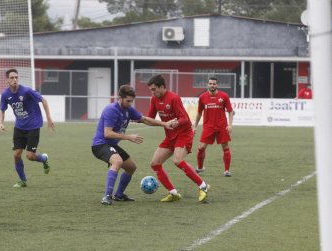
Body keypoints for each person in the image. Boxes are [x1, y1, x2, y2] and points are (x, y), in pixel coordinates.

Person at [92, 84, 176, 205]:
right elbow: (107, 133)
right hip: (100, 144)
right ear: (120, 98)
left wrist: (164, 124)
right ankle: (107, 196)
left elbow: (145, 119)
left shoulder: (128, 109)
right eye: (128, 101)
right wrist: (128, 137)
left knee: (131, 167)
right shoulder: (111, 110)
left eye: (132, 101)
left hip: (111, 145)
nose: (130, 103)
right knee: (117, 161)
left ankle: (119, 195)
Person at [146, 74, 210, 203]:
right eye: (151, 90)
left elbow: (185, 119)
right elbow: (150, 119)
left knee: (177, 160)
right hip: (170, 136)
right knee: (155, 163)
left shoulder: (173, 98)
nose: (152, 92)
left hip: (184, 134)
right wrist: (138, 118)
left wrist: (175, 123)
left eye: (154, 89)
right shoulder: (154, 100)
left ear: (162, 87)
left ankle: (203, 186)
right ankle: (173, 193)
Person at [0, 69, 55, 188]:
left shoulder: (27, 91)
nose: (15, 80)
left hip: (33, 126)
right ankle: (22, 180)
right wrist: (0, 123)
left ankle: (44, 159)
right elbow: (2, 110)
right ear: (7, 80)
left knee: (30, 156)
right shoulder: (5, 94)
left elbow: (43, 100)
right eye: (12, 78)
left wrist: (49, 118)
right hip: (19, 127)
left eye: (16, 77)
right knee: (16, 155)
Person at [193, 76, 234, 177]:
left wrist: (230, 124)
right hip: (208, 127)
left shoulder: (224, 96)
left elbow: (230, 111)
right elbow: (199, 113)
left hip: (222, 126)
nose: (212, 85)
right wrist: (195, 126)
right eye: (210, 83)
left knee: (225, 147)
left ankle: (227, 171)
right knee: (201, 147)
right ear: (208, 84)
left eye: (214, 84)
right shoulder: (202, 97)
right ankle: (200, 167)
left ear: (217, 85)